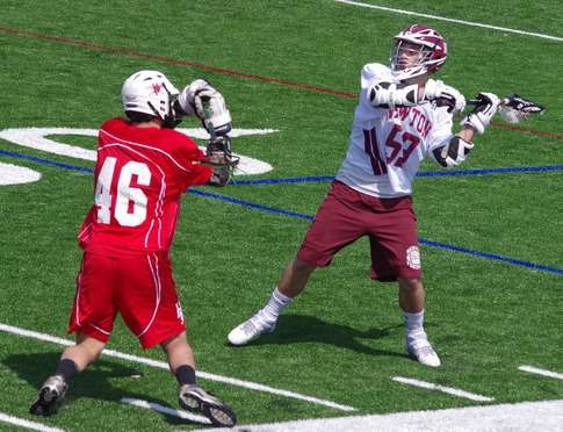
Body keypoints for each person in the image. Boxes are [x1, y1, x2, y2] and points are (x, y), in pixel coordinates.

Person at [228, 24, 501, 368]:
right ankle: (266, 316)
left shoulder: (441, 101)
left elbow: (446, 157)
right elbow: (381, 96)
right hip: (348, 193)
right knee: (306, 258)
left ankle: (416, 337)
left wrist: (476, 123)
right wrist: (433, 96)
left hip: (395, 204)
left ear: (432, 60)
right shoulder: (377, 73)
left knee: (411, 276)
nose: (402, 53)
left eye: (412, 49)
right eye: (402, 46)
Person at [30, 70, 238, 427]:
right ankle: (189, 386)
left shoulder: (108, 131)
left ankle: (59, 379)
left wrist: (179, 109)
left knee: (91, 340)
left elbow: (151, 132)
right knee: (174, 340)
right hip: (142, 258)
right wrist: (219, 130)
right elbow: (221, 173)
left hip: (97, 252)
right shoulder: (177, 149)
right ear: (158, 101)